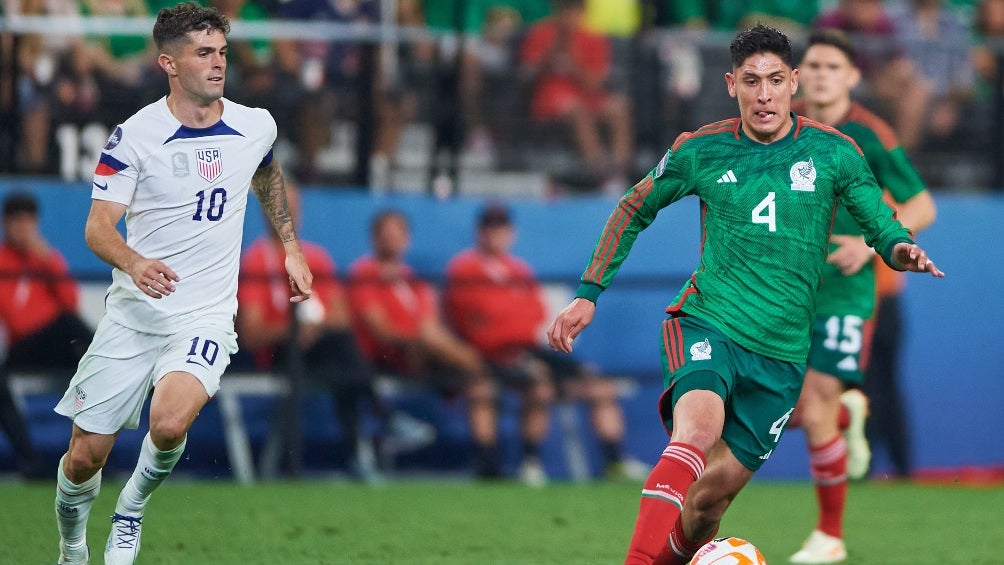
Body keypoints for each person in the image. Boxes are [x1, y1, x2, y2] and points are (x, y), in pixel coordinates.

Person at [545, 24, 944, 565]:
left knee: (708, 501)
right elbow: (633, 207)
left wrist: (900, 249)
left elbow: (882, 224)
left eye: (775, 80)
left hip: (782, 354)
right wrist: (589, 293)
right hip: (709, 321)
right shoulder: (701, 149)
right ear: (731, 85)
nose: (764, 95)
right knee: (696, 432)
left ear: (793, 83)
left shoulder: (836, 152)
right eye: (751, 81)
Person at [50, 4, 313, 564]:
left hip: (205, 316)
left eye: (222, 52)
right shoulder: (135, 136)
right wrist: (133, 262)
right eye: (203, 53)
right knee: (84, 457)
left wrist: (289, 246)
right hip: (134, 316)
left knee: (169, 424)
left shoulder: (255, 124)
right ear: (168, 63)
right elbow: (98, 227)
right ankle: (72, 547)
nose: (218, 64)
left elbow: (266, 170)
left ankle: (131, 509)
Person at [788, 29, 938, 564]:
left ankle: (829, 535)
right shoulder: (781, 125)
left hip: (845, 291)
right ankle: (848, 419)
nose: (822, 75)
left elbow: (922, 206)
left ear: (852, 76)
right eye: (814, 65)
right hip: (784, 288)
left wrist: (870, 245)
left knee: (816, 402)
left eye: (833, 66)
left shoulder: (871, 134)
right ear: (799, 75)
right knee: (790, 409)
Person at [236, 182, 432, 480]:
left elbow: (341, 316)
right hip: (280, 352)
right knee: (344, 356)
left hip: (322, 348)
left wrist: (314, 328)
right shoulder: (255, 261)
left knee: (342, 360)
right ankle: (382, 420)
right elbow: (251, 333)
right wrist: (294, 329)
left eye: (293, 208)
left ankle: (358, 452)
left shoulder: (316, 257)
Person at [444, 203, 649, 485]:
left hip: (528, 350)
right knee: (536, 385)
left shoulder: (519, 270)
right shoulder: (464, 268)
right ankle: (529, 463)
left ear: (511, 232)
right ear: (479, 232)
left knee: (599, 384)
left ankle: (615, 461)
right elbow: (470, 319)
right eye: (489, 227)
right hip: (491, 354)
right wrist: (505, 327)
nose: (495, 234)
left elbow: (535, 313)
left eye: (500, 227)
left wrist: (509, 324)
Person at [347, 209, 501, 478]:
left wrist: (427, 340)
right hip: (388, 356)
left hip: (427, 356)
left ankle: (488, 462)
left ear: (407, 239)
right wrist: (420, 339)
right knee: (442, 344)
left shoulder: (413, 279)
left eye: (398, 235)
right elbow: (379, 329)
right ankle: (484, 364)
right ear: (374, 238)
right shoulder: (364, 273)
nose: (393, 241)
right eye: (387, 235)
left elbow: (430, 322)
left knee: (479, 385)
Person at [0, 192, 94, 479]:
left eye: (28, 222)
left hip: (52, 344)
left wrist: (46, 260)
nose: (22, 228)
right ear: (6, 224)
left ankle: (93, 458)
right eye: (17, 222)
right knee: (72, 329)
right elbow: (16, 318)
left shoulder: (46, 259)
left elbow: (70, 302)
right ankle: (32, 462)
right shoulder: (3, 261)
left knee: (88, 369)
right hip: (22, 346)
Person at [519, 0, 633, 191]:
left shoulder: (592, 38)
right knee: (577, 111)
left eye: (574, 11)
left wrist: (574, 64)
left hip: (587, 95)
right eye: (565, 10)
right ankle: (600, 173)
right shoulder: (542, 33)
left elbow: (595, 83)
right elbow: (526, 74)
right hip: (550, 98)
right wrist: (548, 57)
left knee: (619, 109)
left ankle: (619, 173)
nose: (569, 17)